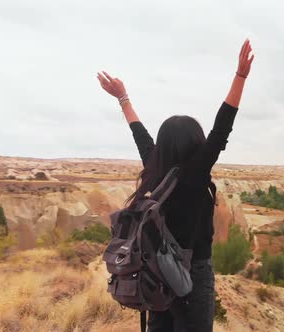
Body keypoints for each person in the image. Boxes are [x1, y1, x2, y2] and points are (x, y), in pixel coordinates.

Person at [97, 39, 254, 331]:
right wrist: (240, 77)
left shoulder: (155, 171)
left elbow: (140, 134)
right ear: (197, 143)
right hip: (192, 275)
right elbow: (222, 128)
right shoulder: (194, 177)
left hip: (157, 273)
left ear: (164, 146)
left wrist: (123, 98)